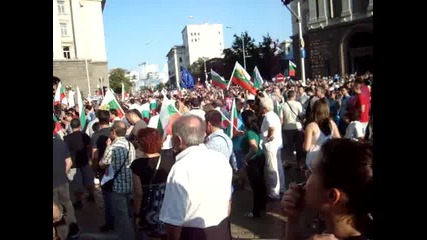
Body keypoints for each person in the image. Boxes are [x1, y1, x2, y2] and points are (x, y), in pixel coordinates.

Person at [282, 139, 373, 240]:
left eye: (312, 171)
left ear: (332, 196)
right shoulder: (325, 226)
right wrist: (293, 219)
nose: (306, 174)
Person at [159, 115, 233, 240]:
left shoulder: (180, 168)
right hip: (222, 229)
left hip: (194, 233)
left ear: (179, 140)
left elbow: (173, 220)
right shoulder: (220, 159)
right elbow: (229, 200)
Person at [131, 128, 174, 239]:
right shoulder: (171, 161)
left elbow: (138, 193)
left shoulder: (137, 164)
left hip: (147, 210)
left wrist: (136, 214)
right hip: (167, 210)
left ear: (142, 143)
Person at [241, 110, 266, 218]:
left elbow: (254, 148)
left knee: (256, 186)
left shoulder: (250, 132)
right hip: (259, 158)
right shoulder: (253, 130)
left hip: (254, 160)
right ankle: (262, 205)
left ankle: (256, 212)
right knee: (260, 184)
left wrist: (246, 158)